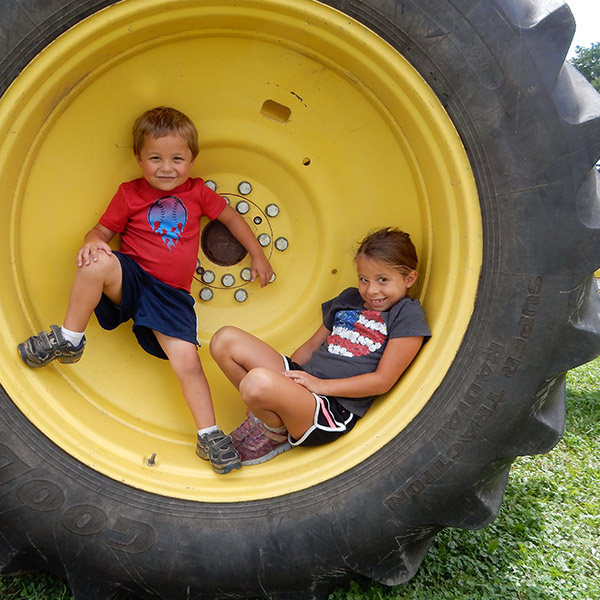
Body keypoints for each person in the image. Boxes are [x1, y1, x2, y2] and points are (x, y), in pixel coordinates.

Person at [17, 106, 274, 475]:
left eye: (177, 159)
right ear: (139, 158)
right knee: (97, 261)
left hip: (171, 296)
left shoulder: (198, 193)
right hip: (133, 278)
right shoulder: (129, 194)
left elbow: (232, 218)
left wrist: (258, 255)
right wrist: (92, 242)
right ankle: (70, 339)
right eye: (155, 158)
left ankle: (209, 433)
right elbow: (102, 232)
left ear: (192, 159)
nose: (166, 168)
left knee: (187, 362)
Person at [209, 227, 431, 466]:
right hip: (305, 384)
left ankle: (273, 431)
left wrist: (321, 386)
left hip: (330, 407)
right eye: (363, 279)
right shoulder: (350, 298)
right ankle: (266, 418)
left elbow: (383, 380)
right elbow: (311, 346)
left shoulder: (406, 313)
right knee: (224, 340)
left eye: (383, 280)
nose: (371, 290)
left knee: (256, 382)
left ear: (409, 279)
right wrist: (281, 386)